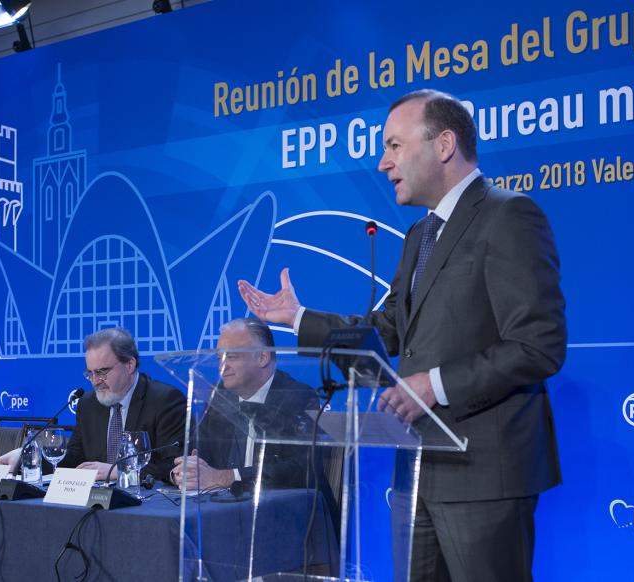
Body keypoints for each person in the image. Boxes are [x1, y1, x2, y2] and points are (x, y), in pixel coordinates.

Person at [238, 89, 566, 581]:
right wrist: (298, 318)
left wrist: (433, 385)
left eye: (394, 145)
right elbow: (389, 330)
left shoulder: (509, 215)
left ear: (444, 144)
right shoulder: (420, 235)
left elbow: (538, 345)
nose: (382, 162)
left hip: (484, 474)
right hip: (417, 471)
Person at [0, 327, 186, 482]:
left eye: (102, 372)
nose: (95, 381)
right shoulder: (88, 403)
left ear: (129, 365)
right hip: (96, 501)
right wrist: (27, 456)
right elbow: (73, 457)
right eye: (90, 373)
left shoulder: (165, 400)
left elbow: (174, 464)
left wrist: (120, 470)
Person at [171, 318, 319, 491]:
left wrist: (226, 477)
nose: (222, 367)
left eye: (231, 357)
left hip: (280, 504)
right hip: (222, 503)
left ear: (262, 357)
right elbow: (195, 452)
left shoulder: (299, 398)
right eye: (219, 358)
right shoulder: (219, 395)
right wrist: (184, 472)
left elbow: (300, 469)